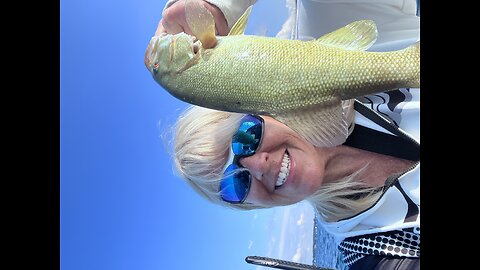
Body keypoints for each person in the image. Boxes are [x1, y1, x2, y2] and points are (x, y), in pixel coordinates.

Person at [151, 0, 420, 269]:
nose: (257, 166)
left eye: (245, 138)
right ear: (250, 206)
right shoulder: (374, 250)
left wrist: (220, 6)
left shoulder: (322, 34)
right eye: (235, 186)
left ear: (257, 104)